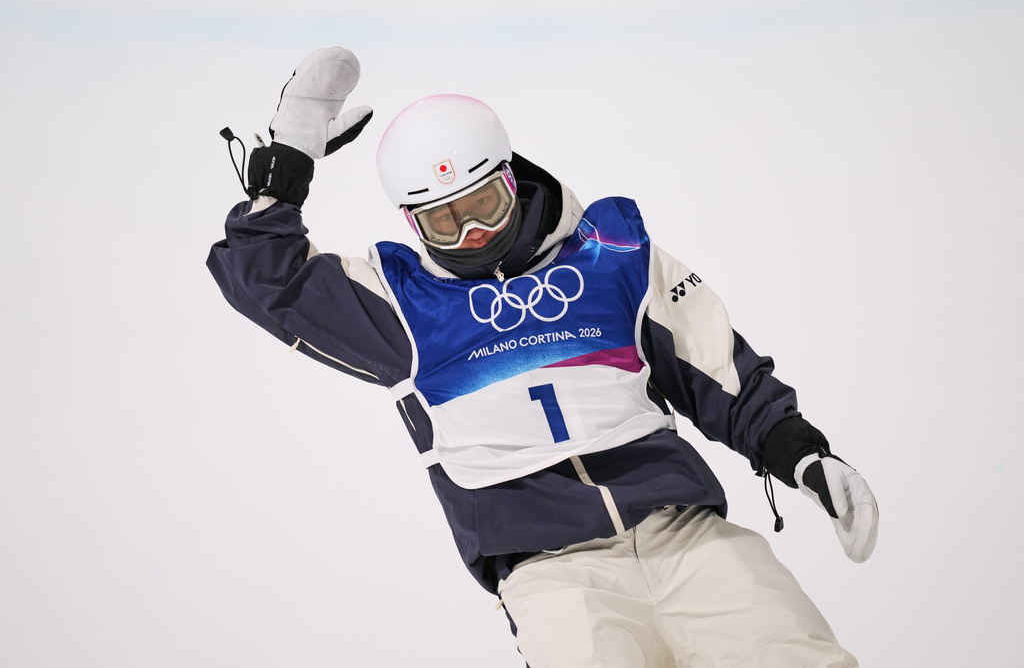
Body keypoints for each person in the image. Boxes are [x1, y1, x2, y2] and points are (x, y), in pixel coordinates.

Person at [208, 47, 879, 667]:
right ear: (412, 222)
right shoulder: (403, 306)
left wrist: (801, 452)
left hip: (691, 539)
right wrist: (288, 161)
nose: (473, 233)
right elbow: (269, 277)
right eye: (446, 221)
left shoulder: (610, 257)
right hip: (553, 574)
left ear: (513, 178)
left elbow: (714, 367)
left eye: (486, 205)